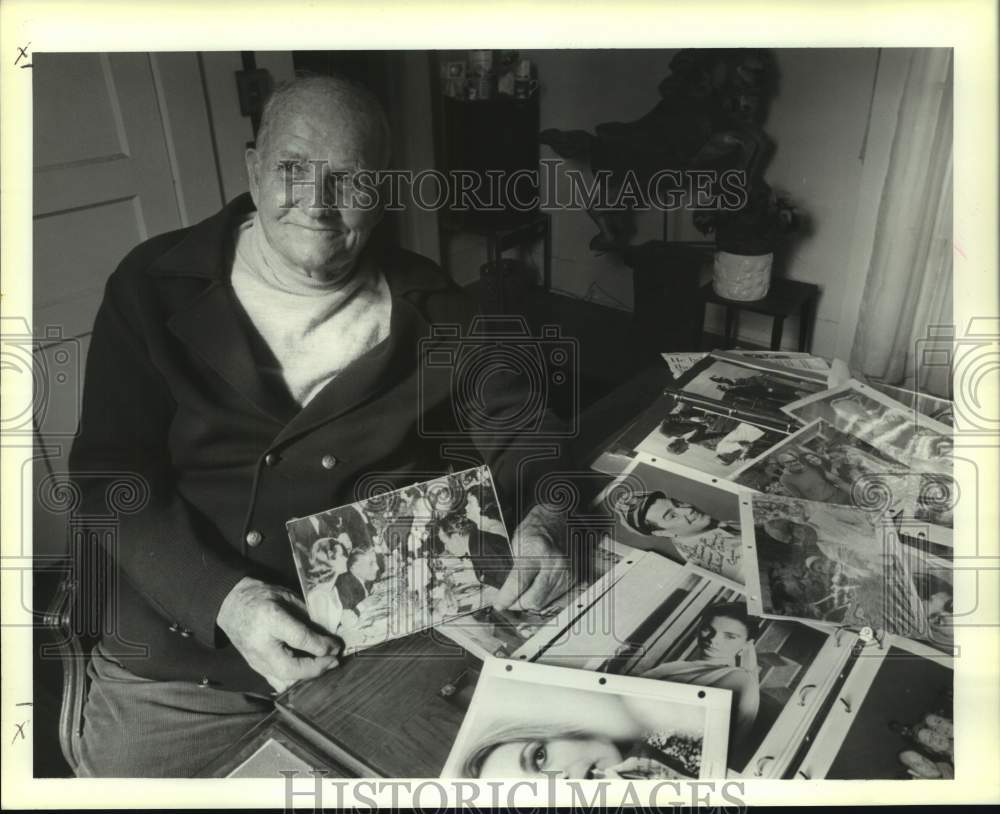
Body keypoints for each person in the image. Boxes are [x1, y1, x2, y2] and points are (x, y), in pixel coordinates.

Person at [68, 75, 574, 777]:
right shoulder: (152, 284)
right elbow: (108, 475)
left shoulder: (434, 302)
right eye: (293, 170)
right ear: (253, 168)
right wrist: (228, 600)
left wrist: (546, 513)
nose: (319, 203)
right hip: (185, 658)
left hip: (377, 638)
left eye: (351, 180)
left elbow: (523, 430)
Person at [641, 602, 760, 749]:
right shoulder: (671, 667)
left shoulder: (739, 679)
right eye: (707, 629)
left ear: (746, 645)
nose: (713, 639)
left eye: (730, 636)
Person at [613, 491, 743, 583]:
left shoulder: (709, 531)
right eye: (672, 516)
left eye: (678, 504)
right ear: (663, 533)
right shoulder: (718, 560)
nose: (688, 510)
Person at [437, 512, 514, 590]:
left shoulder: (480, 550)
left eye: (445, 543)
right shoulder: (476, 544)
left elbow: (511, 585)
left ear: (456, 536)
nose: (446, 548)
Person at [335, 547, 380, 612]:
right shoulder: (344, 586)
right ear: (355, 568)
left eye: (376, 562)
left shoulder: (362, 578)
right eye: (371, 564)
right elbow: (348, 619)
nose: (377, 568)